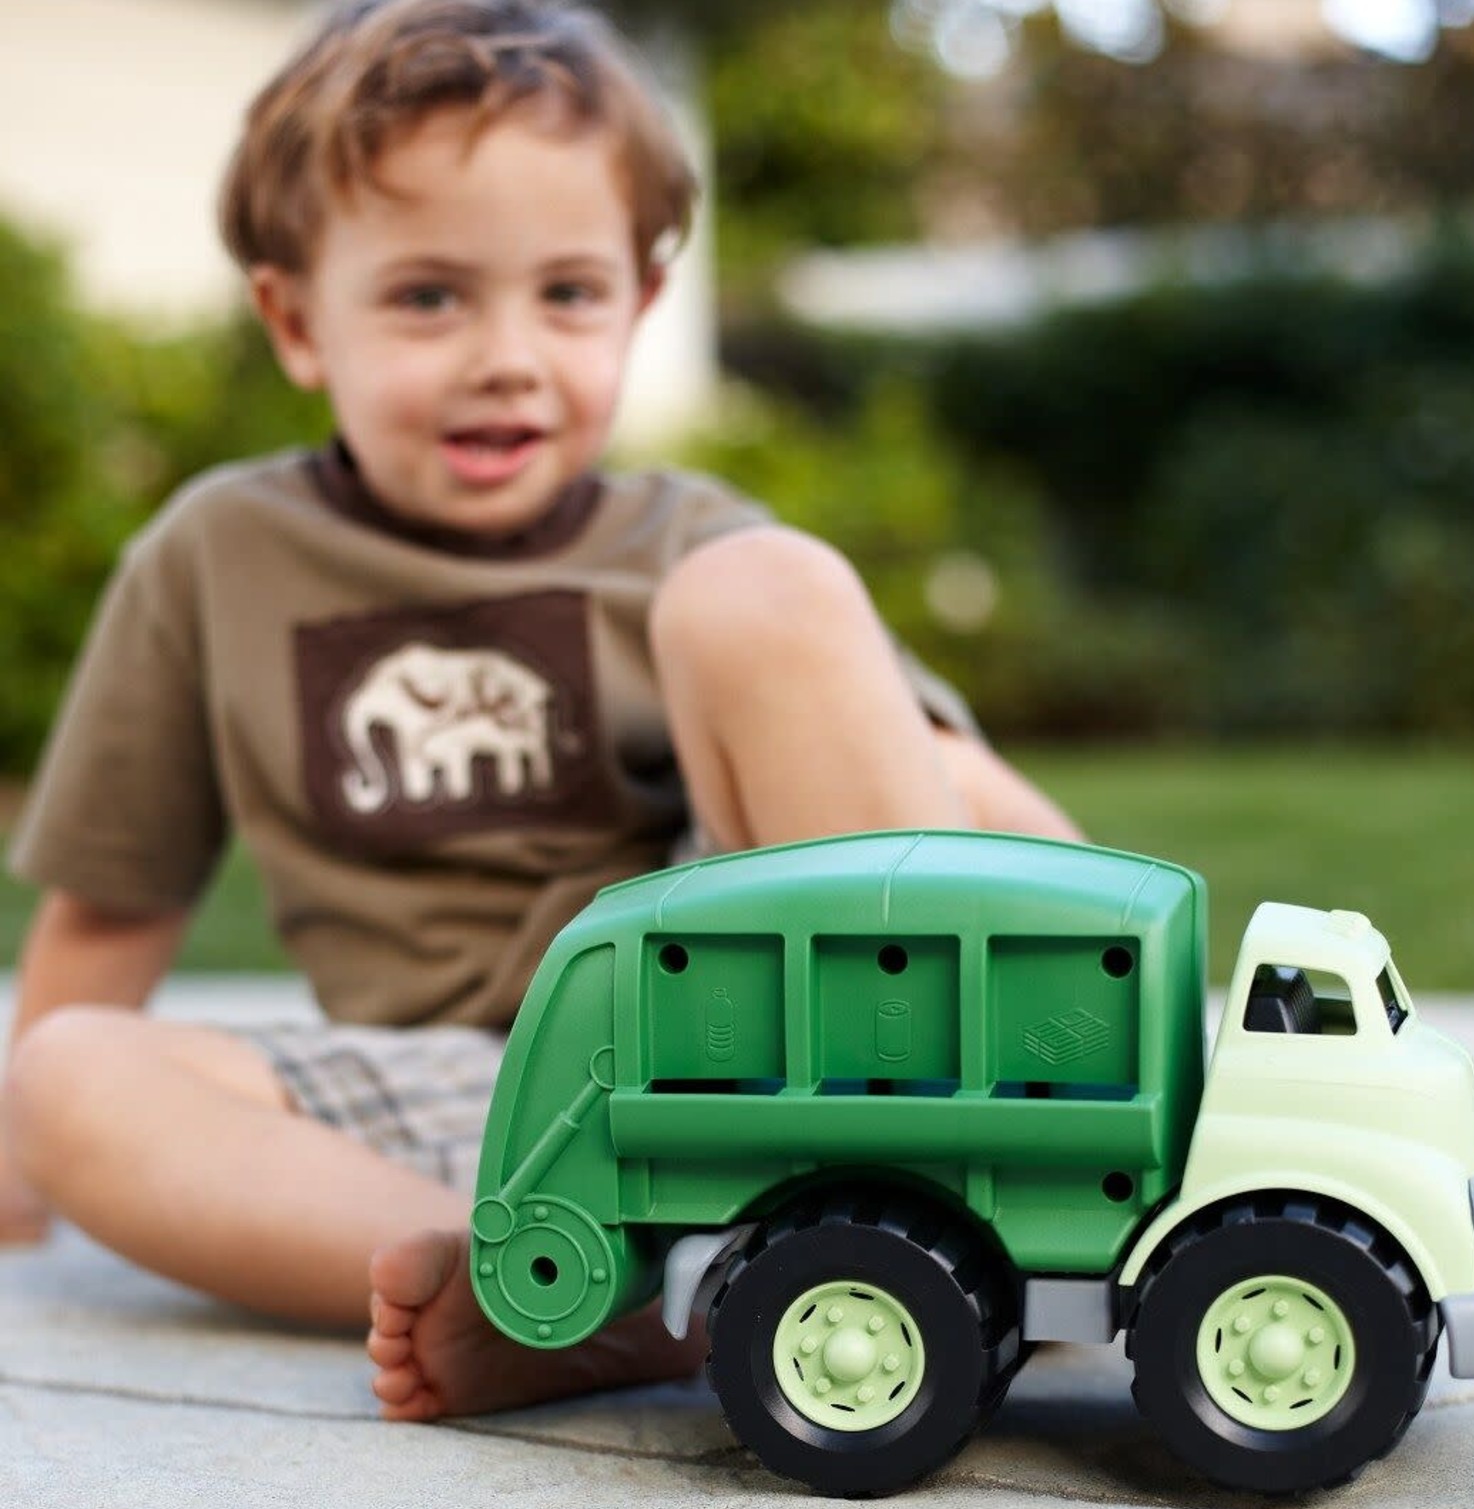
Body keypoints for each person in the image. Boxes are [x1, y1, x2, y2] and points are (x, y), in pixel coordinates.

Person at [0, 0, 1079, 1421]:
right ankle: (558, 1290)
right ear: (295, 319)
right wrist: (22, 1186)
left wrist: (1136, 1032)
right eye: (429, 296)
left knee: (762, 589)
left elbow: (952, 795)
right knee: (67, 1074)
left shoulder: (692, 540)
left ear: (638, 302)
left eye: (566, 295)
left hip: (740, 1067)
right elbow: (111, 908)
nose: (506, 353)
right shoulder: (216, 561)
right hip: (461, 1112)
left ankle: (931, 1200)